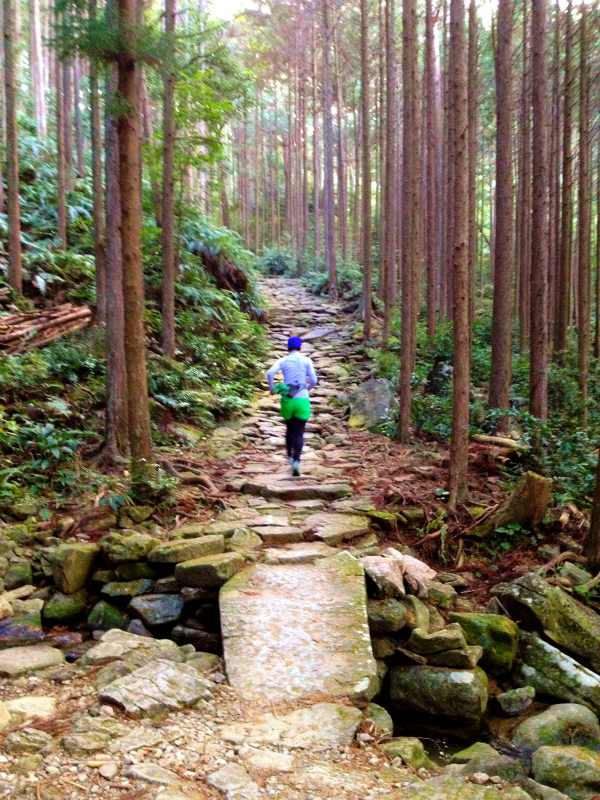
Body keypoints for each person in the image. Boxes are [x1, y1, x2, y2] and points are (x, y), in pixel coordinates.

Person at [266, 336, 317, 476]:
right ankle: (296, 462)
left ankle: (289, 456)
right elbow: (313, 379)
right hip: (302, 399)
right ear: (300, 348)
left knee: (289, 428)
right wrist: (308, 388)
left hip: (288, 399)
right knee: (299, 432)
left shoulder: (283, 360)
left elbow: (270, 373)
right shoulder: (307, 360)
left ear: (287, 348)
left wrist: (272, 388)